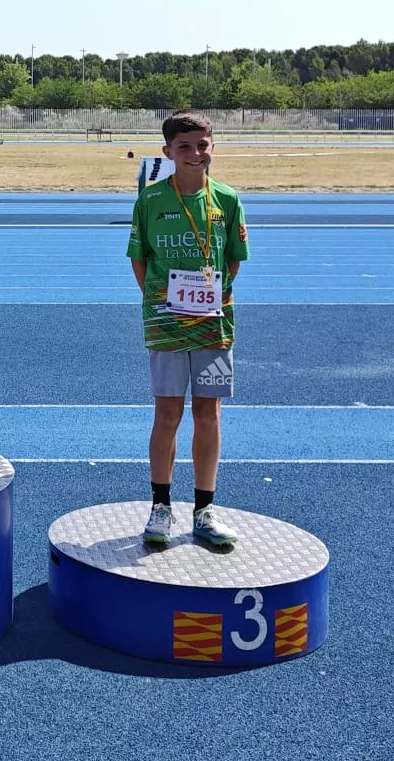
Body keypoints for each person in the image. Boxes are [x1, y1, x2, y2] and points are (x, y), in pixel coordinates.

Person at [128, 111, 250, 550]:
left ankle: (204, 510)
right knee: (167, 414)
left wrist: (205, 297)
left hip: (214, 326)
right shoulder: (151, 200)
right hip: (166, 324)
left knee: (208, 413)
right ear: (168, 152)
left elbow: (232, 260)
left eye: (202, 145)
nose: (195, 153)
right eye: (184, 147)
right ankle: (161, 506)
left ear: (213, 147)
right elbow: (139, 257)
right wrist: (163, 301)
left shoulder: (228, 200)